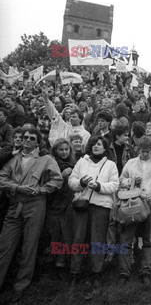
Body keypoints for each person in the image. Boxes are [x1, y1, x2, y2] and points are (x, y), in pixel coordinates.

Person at [0, 128, 63, 303]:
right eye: (25, 137)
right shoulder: (13, 158)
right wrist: (17, 187)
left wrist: (41, 189)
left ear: (37, 142)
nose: (26, 140)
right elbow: (1, 178)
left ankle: (21, 285)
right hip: (14, 204)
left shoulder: (46, 159)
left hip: (35, 204)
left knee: (29, 245)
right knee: (4, 245)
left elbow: (57, 180)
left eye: (31, 138)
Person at [68, 136, 119, 294]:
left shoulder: (110, 165)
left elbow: (114, 185)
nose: (96, 147)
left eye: (100, 145)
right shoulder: (82, 162)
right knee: (78, 238)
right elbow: (71, 181)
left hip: (101, 206)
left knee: (97, 239)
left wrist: (98, 186)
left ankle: (96, 273)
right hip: (82, 205)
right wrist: (81, 183)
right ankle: (75, 273)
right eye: (94, 144)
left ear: (105, 148)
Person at [117, 137, 151, 286]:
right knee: (126, 237)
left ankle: (146, 271)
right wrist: (131, 181)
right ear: (138, 150)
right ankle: (124, 272)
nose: (145, 154)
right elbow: (121, 180)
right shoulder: (131, 163)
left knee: (149, 238)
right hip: (133, 203)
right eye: (142, 152)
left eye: (148, 152)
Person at [45, 138, 77, 270]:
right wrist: (62, 176)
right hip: (54, 203)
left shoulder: (74, 164)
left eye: (66, 149)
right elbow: (47, 183)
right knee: (53, 232)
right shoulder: (50, 164)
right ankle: (50, 261)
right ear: (55, 150)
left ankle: (61, 263)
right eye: (61, 149)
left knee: (66, 232)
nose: (64, 152)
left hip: (68, 203)